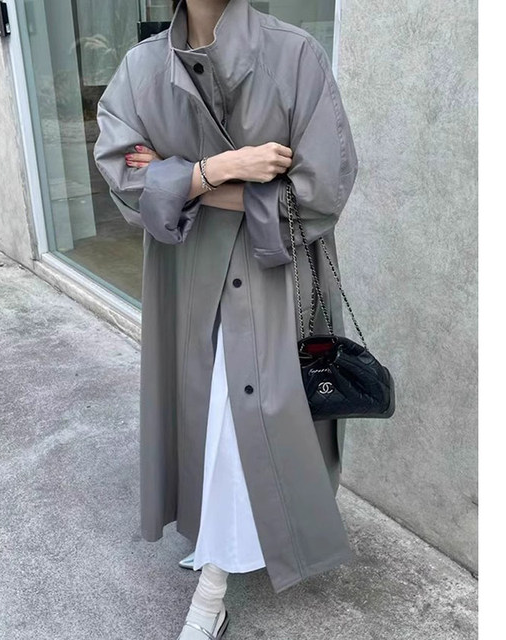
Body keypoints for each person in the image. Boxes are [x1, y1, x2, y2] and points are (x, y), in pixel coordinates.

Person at [94, 1, 359, 638]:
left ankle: (211, 594)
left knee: (242, 417)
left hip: (270, 272)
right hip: (185, 272)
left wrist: (183, 181)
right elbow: (122, 172)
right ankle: (214, 538)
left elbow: (323, 186)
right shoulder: (141, 68)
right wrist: (224, 168)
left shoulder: (293, 55)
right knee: (203, 418)